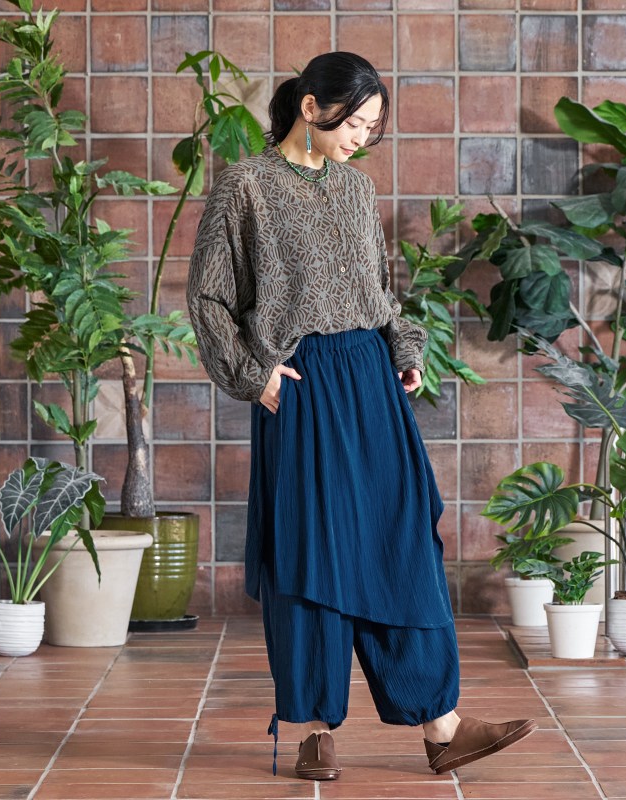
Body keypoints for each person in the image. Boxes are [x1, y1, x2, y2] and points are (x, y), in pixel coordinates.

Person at [187, 51, 536, 780]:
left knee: (399, 537)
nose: (362, 138)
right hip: (303, 381)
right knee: (313, 550)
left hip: (370, 376)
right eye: (355, 123)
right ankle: (314, 729)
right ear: (311, 107)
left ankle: (441, 724)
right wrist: (255, 377)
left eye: (373, 128)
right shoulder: (245, 185)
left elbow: (378, 288)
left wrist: (402, 349)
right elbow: (209, 298)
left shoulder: (354, 187)